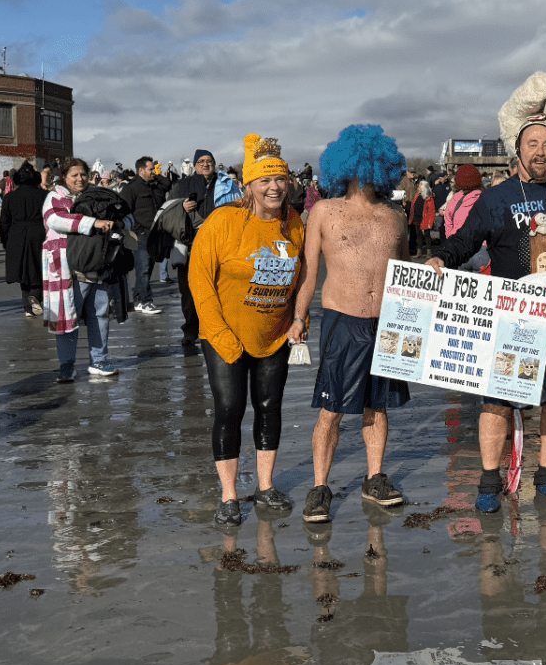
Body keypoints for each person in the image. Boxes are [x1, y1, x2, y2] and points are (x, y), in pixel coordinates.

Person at [431, 71, 546, 512]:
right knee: (498, 400)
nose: (541, 152)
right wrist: (442, 257)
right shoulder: (496, 198)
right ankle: (488, 481)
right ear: (519, 149)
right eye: (533, 144)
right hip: (513, 318)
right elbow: (465, 240)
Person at [290, 125, 412, 524]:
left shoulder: (395, 216)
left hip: (389, 322)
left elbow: (408, 273)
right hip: (343, 319)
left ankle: (375, 477)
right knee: (332, 410)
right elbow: (309, 269)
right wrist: (299, 315)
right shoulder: (324, 211)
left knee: (378, 405)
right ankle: (320, 486)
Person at [190, 134, 305, 526]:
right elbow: (199, 279)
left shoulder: (294, 223)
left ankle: (266, 486)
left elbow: (304, 272)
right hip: (225, 336)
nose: (274, 187)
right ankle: (228, 495)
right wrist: (218, 333)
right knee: (229, 409)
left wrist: (298, 318)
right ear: (248, 186)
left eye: (280, 179)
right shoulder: (223, 221)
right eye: (264, 181)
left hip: (273, 335)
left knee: (270, 409)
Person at [44, 158, 119, 381]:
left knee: (100, 312)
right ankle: (67, 366)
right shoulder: (55, 197)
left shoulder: (98, 193)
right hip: (67, 268)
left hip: (97, 263)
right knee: (68, 318)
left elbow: (120, 213)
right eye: (74, 175)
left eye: (83, 174)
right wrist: (91, 222)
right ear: (64, 177)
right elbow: (56, 219)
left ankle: (99, 360)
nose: (80, 178)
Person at [172, 149, 220, 344]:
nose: (206, 164)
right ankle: (190, 329)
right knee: (189, 290)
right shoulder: (183, 184)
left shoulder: (223, 183)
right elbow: (168, 208)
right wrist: (180, 207)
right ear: (194, 165)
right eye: (201, 161)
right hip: (190, 243)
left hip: (217, 244)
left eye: (209, 161)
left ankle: (215, 327)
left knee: (217, 287)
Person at [0, 162, 49, 316]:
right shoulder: (44, 195)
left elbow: (4, 221)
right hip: (40, 232)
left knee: (22, 270)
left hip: (16, 233)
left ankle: (28, 307)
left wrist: (5, 240)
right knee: (39, 267)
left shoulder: (9, 197)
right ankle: (36, 295)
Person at [120, 155, 167, 315]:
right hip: (141, 234)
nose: (154, 171)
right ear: (141, 171)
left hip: (156, 234)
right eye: (151, 169)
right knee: (143, 269)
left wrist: (158, 175)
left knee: (147, 268)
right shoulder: (131, 188)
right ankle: (147, 302)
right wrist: (137, 228)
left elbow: (168, 184)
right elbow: (124, 210)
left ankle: (138, 300)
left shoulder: (155, 185)